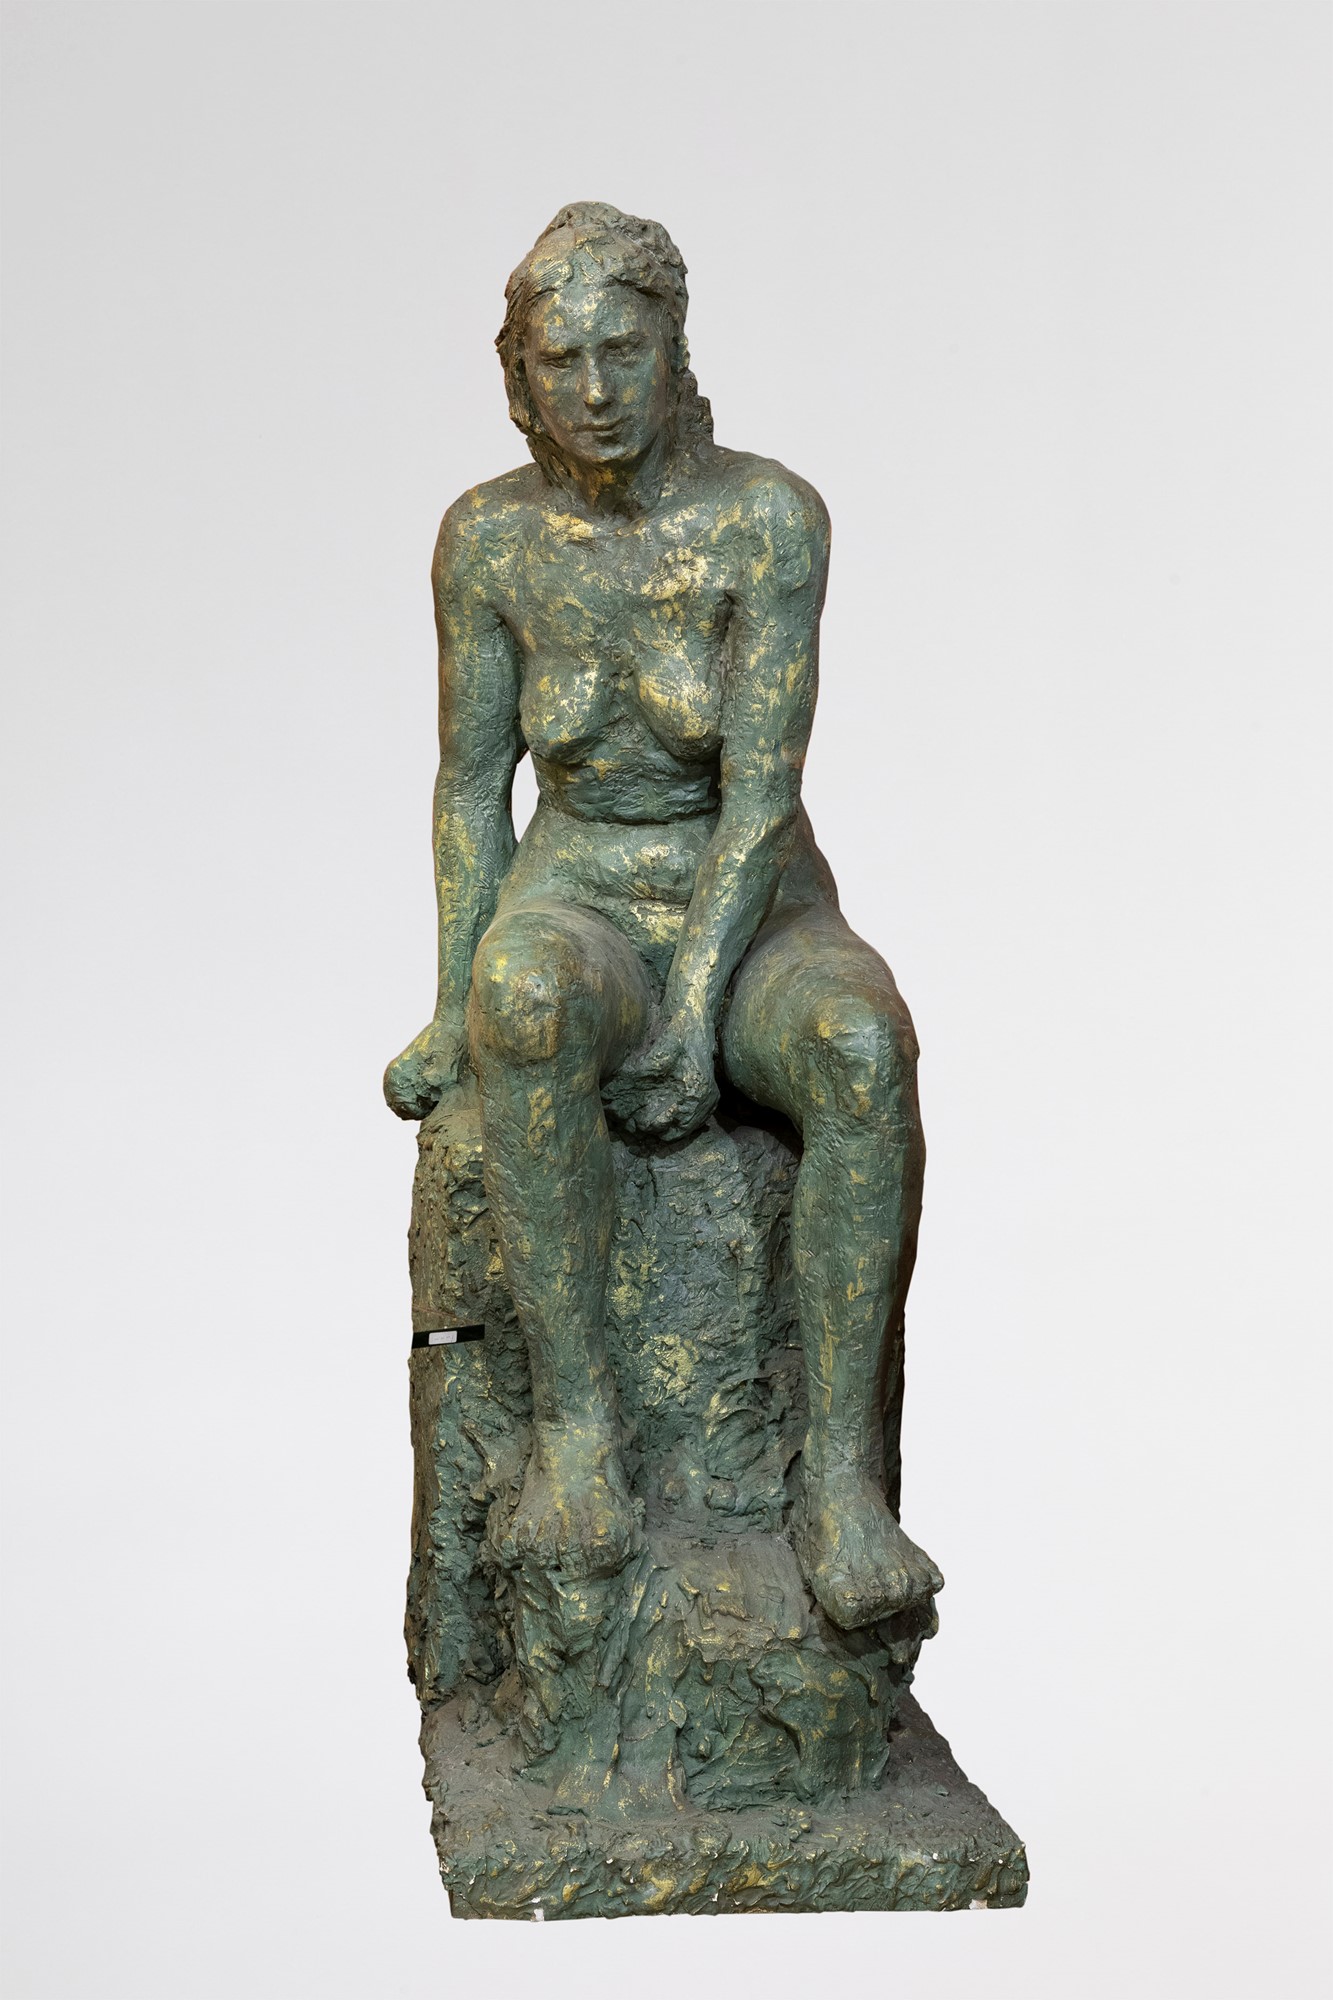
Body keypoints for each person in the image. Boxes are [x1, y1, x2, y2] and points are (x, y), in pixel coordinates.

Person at [385, 202, 942, 1629]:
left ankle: (840, 1481)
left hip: (751, 910)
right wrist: (451, 1009)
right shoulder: (490, 542)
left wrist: (693, 1018)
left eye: (622, 352)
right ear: (518, 379)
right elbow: (471, 789)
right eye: (560, 360)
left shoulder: (765, 520)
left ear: (675, 350)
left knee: (864, 1051)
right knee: (522, 1008)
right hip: (579, 892)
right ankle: (577, 1435)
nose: (595, 390)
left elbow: (760, 794)